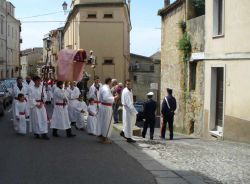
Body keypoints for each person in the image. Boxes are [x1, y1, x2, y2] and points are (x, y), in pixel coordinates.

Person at [97, 77, 117, 144]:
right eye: (112, 82)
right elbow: (106, 98)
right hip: (106, 108)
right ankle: (105, 138)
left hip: (103, 107)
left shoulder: (103, 87)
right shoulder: (106, 88)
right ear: (109, 82)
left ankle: (103, 137)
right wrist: (114, 98)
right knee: (107, 123)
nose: (112, 84)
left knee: (103, 122)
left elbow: (100, 97)